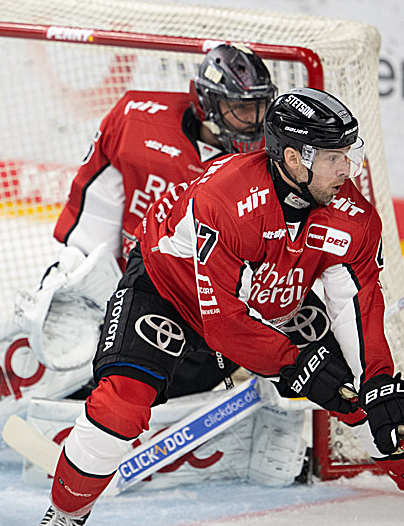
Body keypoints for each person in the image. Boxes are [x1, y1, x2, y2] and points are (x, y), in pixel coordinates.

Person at [15, 87, 404, 526]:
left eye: (347, 155)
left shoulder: (353, 218)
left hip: (272, 298)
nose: (347, 170)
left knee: (366, 397)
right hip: (170, 293)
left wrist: (377, 380)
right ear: (294, 158)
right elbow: (224, 325)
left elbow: (357, 309)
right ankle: (64, 516)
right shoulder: (226, 199)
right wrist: (296, 364)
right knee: (120, 406)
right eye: (334, 158)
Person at [18, 43, 279, 394]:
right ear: (207, 103)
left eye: (259, 106)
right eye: (241, 107)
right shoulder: (136, 120)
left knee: (144, 385)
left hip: (211, 307)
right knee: (84, 359)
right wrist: (70, 272)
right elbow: (95, 213)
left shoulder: (271, 158)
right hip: (133, 288)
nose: (255, 120)